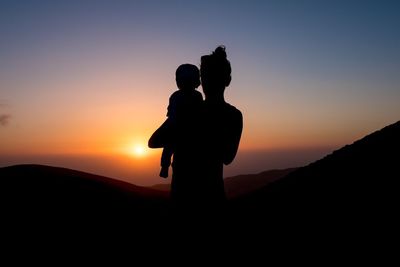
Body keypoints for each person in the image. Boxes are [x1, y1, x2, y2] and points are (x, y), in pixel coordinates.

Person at [198, 45, 243, 205]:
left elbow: (154, 141)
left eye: (206, 75)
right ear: (228, 80)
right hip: (215, 195)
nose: (203, 81)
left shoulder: (190, 110)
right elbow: (228, 158)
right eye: (203, 75)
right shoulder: (234, 115)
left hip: (184, 196)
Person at [152, 64, 203, 179]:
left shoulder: (178, 96)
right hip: (181, 130)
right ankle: (164, 167)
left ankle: (164, 167)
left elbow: (172, 115)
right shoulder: (195, 95)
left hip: (181, 130)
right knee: (169, 145)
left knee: (169, 145)